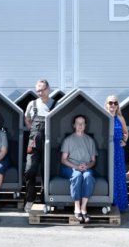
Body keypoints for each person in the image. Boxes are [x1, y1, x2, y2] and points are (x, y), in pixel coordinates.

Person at [24, 79, 57, 213]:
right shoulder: (32, 104)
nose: (40, 93)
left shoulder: (55, 104)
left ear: (48, 89)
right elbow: (27, 119)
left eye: (42, 90)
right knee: (29, 170)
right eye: (37, 90)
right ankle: (30, 198)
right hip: (33, 141)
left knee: (46, 170)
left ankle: (45, 199)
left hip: (48, 142)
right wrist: (33, 131)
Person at [60, 115, 97, 223]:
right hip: (70, 167)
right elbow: (63, 159)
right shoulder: (68, 140)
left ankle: (83, 208)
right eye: (78, 123)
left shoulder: (90, 140)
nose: (80, 125)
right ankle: (77, 207)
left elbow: (93, 161)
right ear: (74, 125)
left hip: (85, 167)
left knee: (88, 176)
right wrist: (76, 167)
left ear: (85, 125)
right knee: (77, 175)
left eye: (82, 123)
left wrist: (87, 166)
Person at [105, 95, 129, 212]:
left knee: (118, 176)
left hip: (118, 151)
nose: (113, 105)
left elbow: (126, 132)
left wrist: (124, 141)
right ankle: (108, 202)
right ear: (106, 104)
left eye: (115, 103)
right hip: (107, 150)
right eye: (110, 103)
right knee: (108, 174)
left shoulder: (120, 118)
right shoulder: (104, 116)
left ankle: (119, 204)